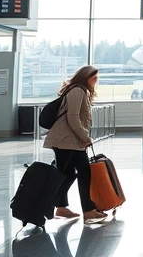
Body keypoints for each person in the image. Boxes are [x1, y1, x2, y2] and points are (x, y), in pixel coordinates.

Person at [43, 65, 106, 222]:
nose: (95, 81)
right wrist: (85, 136)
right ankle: (88, 210)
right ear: (85, 77)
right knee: (83, 173)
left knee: (69, 173)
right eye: (93, 78)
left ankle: (61, 207)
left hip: (70, 141)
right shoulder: (78, 91)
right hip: (66, 140)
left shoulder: (79, 90)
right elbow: (73, 117)